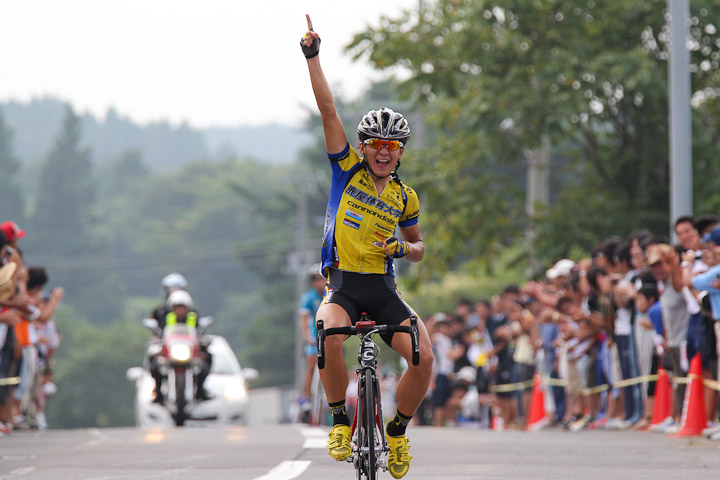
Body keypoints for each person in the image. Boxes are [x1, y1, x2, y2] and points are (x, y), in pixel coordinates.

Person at [301, 15, 433, 479]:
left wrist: (402, 247)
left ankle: (396, 431)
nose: (383, 151)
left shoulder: (405, 196)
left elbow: (419, 248)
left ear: (401, 152)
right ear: (363, 146)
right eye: (376, 143)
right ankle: (340, 421)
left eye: (393, 145)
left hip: (382, 287)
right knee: (328, 335)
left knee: (424, 355)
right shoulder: (347, 171)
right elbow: (329, 111)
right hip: (342, 286)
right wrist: (313, 57)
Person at [152, 290, 213, 403]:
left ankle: (201, 390)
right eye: (177, 307)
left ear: (188, 307)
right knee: (154, 363)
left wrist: (202, 345)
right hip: (170, 351)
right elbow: (160, 334)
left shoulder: (194, 317)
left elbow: (200, 333)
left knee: (207, 359)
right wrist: (158, 344)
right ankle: (158, 392)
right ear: (172, 308)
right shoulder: (166, 318)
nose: (179, 310)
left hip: (190, 351)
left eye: (182, 307)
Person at [298, 266, 325, 419]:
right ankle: (306, 399)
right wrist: (308, 337)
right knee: (311, 363)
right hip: (314, 336)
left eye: (321, 278)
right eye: (315, 279)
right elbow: (304, 322)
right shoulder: (308, 297)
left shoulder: (332, 293)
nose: (319, 282)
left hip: (330, 334)